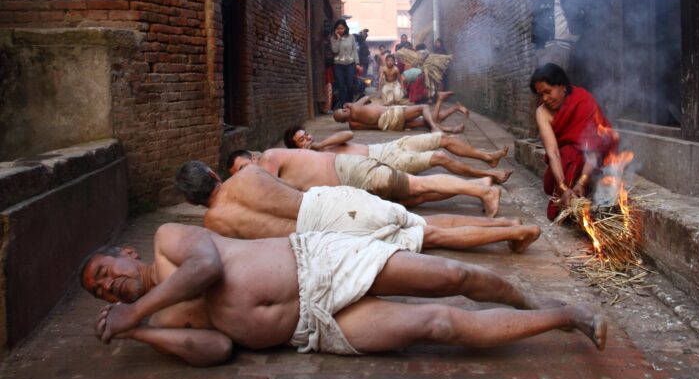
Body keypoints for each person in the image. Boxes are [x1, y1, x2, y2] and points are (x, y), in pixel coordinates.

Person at [82, 223, 607, 366]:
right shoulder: (159, 320)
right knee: (438, 325)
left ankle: (529, 300)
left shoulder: (168, 241)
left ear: (127, 254)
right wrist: (145, 331)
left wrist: (137, 312)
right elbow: (217, 351)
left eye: (105, 271)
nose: (108, 285)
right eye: (99, 291)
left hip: (322, 262)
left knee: (452, 276)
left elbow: (206, 267)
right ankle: (563, 316)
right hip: (308, 329)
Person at [176, 160, 536, 252]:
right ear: (212, 173)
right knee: (420, 223)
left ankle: (516, 230)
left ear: (194, 202)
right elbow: (289, 190)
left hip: (324, 235)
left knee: (431, 236)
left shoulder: (214, 223)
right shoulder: (250, 174)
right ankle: (512, 226)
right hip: (331, 204)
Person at [223, 144, 502, 214]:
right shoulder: (265, 164)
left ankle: (482, 191)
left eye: (243, 167)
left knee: (418, 184)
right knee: (415, 196)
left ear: (252, 157)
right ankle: (479, 187)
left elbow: (270, 191)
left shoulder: (268, 158)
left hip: (351, 172)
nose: (245, 176)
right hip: (351, 183)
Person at [530, 63, 618, 220]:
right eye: (540, 95)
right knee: (556, 174)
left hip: (591, 158)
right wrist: (562, 187)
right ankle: (568, 194)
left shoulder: (584, 100)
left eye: (548, 92)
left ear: (562, 86)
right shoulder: (542, 112)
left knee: (574, 154)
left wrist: (582, 182)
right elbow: (553, 152)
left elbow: (594, 146)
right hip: (565, 159)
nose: (545, 99)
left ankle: (576, 194)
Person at [279, 126, 512, 184]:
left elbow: (347, 133)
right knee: (440, 157)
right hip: (386, 162)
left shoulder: (324, 144)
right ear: (297, 149)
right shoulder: (311, 161)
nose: (308, 138)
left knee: (442, 138)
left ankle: (487, 157)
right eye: (302, 139)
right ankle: (487, 175)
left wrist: (320, 144)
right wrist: (315, 152)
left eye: (306, 134)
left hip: (389, 146)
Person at [528, 0, 584, 71]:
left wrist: (572, 38)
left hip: (556, 49)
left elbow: (575, 13)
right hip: (543, 49)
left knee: (553, 86)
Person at [333, 92, 467, 133]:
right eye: (344, 110)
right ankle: (435, 126)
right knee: (423, 108)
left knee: (425, 120)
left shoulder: (353, 124)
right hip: (392, 114)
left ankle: (452, 126)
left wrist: (386, 125)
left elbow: (372, 126)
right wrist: (349, 104)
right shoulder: (354, 107)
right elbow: (366, 97)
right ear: (345, 110)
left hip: (388, 123)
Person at [330, 19, 359, 107]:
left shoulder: (351, 37)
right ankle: (344, 106)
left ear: (345, 28)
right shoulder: (333, 38)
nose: (340, 30)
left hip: (350, 64)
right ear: (335, 29)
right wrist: (338, 39)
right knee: (341, 86)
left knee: (350, 85)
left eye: (342, 28)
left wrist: (357, 63)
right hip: (338, 65)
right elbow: (335, 50)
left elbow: (354, 50)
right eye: (338, 28)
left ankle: (350, 104)